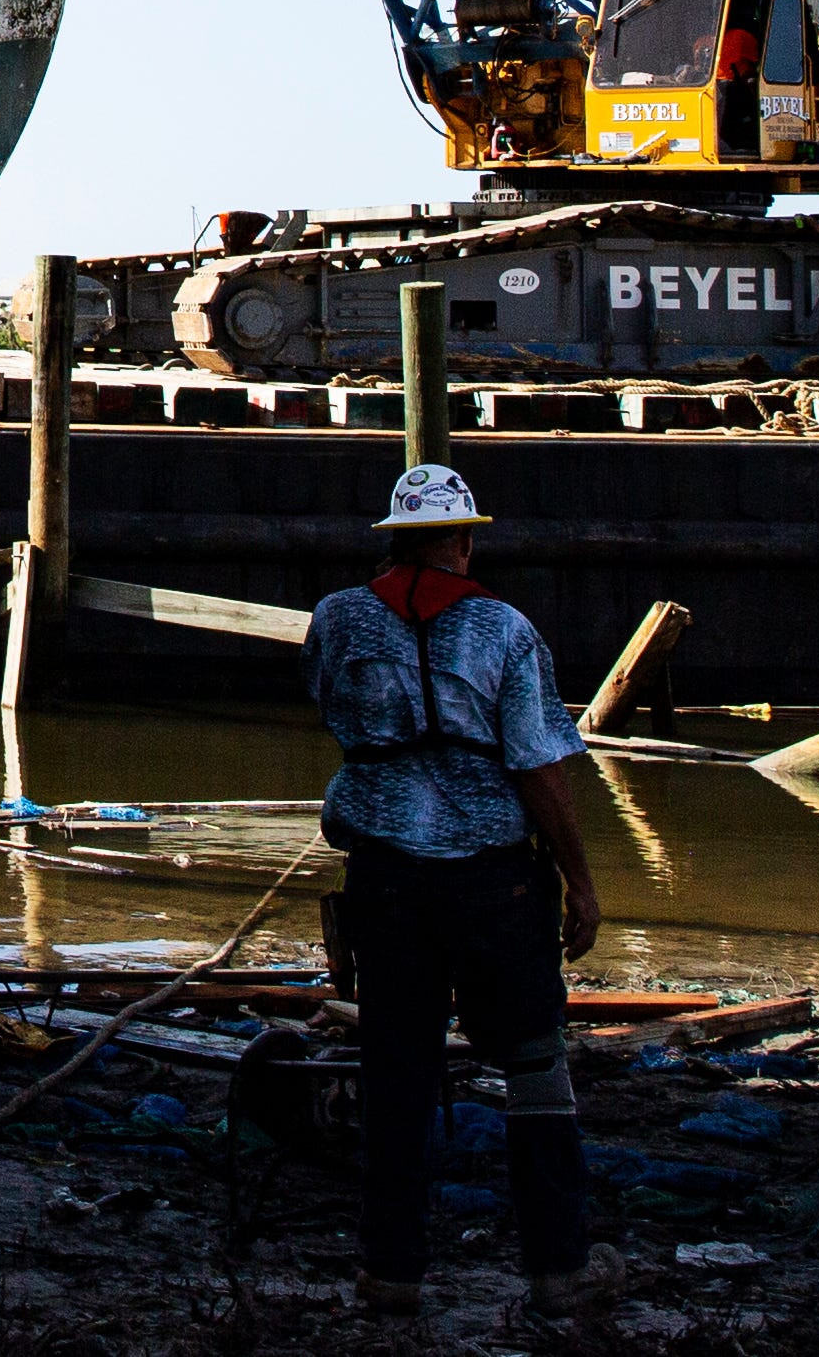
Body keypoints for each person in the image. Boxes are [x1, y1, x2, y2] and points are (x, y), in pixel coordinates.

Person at [306, 463, 615, 1316]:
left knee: (397, 1071)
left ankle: (390, 1271)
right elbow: (542, 770)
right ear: (464, 539)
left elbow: (331, 711)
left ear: (394, 538)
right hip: (492, 883)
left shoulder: (336, 620)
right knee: (535, 1067)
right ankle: (559, 1271)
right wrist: (581, 883)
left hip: (387, 878)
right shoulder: (505, 632)